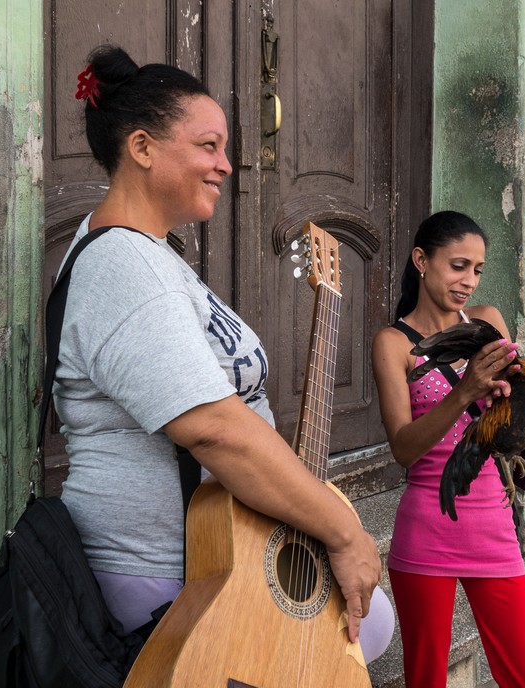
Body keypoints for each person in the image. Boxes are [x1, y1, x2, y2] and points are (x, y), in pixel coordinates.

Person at [54, 44, 393, 665]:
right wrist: (342, 531)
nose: (227, 165)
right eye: (208, 146)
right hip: (173, 580)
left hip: (222, 561)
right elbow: (212, 428)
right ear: (143, 148)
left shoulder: (152, 255)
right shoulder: (121, 264)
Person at [370, 210, 525, 687]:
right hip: (426, 526)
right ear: (421, 261)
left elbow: (511, 422)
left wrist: (524, 389)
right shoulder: (393, 344)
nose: (469, 280)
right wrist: (464, 391)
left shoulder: (489, 322)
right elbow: (404, 449)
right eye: (458, 266)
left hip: (492, 520)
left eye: (477, 269)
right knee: (425, 677)